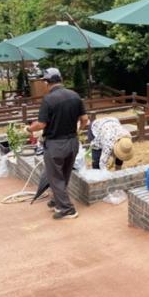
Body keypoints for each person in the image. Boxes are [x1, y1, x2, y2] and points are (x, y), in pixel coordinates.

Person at [25, 68, 88, 220]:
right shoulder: (75, 95)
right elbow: (85, 119)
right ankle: (57, 200)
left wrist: (28, 129)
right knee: (64, 174)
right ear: (61, 79)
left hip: (55, 145)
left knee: (55, 177)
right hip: (72, 142)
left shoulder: (48, 100)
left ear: (46, 83)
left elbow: (41, 124)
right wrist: (78, 130)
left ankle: (67, 209)